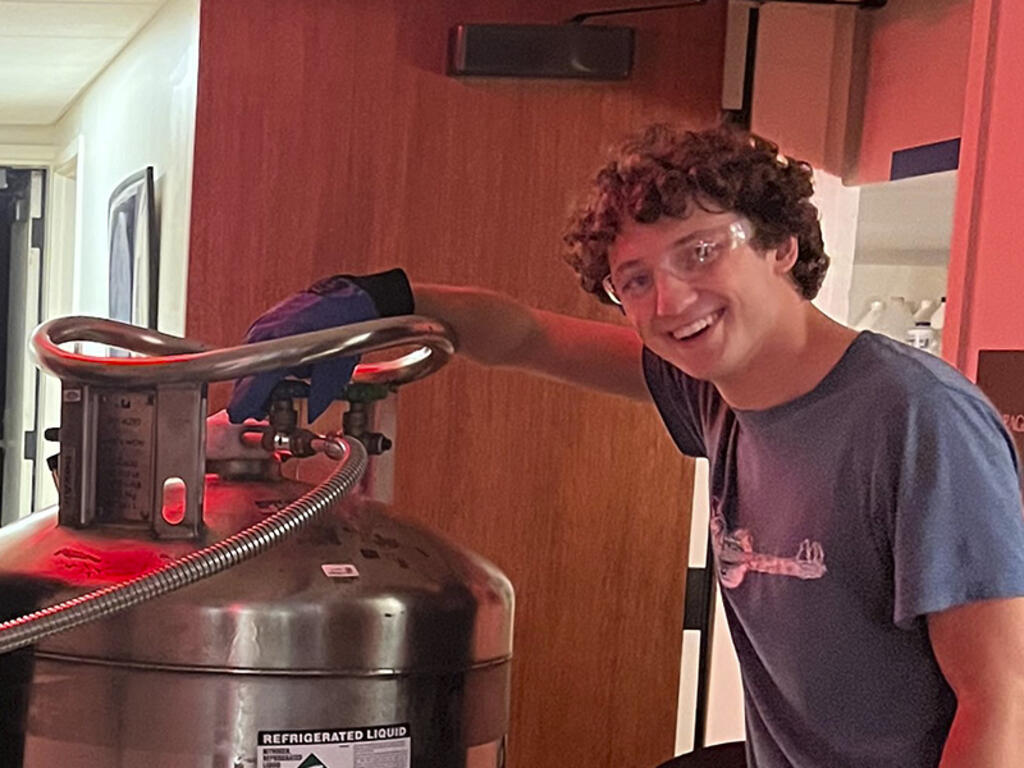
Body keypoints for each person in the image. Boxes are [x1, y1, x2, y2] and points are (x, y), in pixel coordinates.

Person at [227, 124, 1024, 767]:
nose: (670, 299)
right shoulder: (716, 390)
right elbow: (526, 335)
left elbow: (1001, 701)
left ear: (781, 246)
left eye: (701, 251)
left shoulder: (917, 420)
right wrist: (383, 299)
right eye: (634, 280)